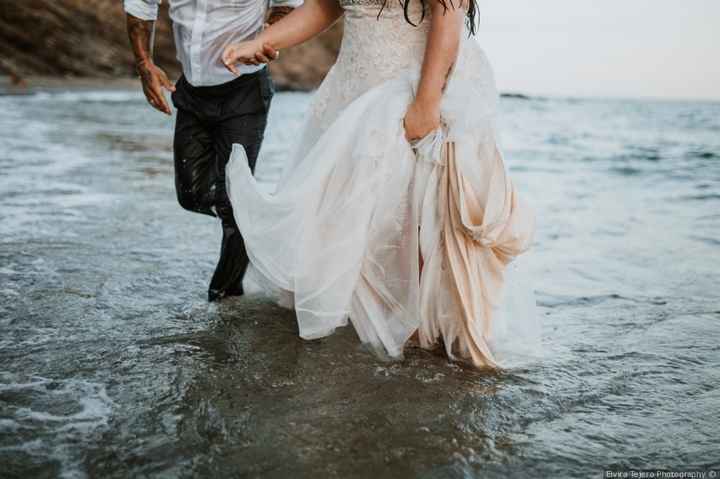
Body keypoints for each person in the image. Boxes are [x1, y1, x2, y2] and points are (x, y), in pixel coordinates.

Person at [222, 0, 542, 368]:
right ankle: (368, 367)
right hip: (351, 93)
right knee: (349, 225)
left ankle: (424, 363)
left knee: (415, 225)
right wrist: (263, 39)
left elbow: (447, 11)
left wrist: (427, 102)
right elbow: (324, 6)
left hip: (411, 89)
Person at [123, 0, 297, 301]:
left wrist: (268, 34)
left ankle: (225, 298)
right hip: (191, 91)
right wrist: (144, 64)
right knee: (190, 195)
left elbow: (288, 4)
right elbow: (141, 5)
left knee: (234, 201)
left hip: (244, 90)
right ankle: (254, 220)